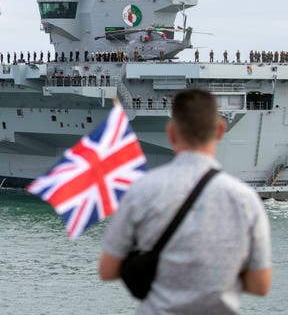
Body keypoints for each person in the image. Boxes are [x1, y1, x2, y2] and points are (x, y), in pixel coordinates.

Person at [98, 89, 271, 314]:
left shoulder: (141, 191)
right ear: (220, 130)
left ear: (171, 132)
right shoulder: (246, 199)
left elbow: (107, 270)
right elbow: (260, 285)